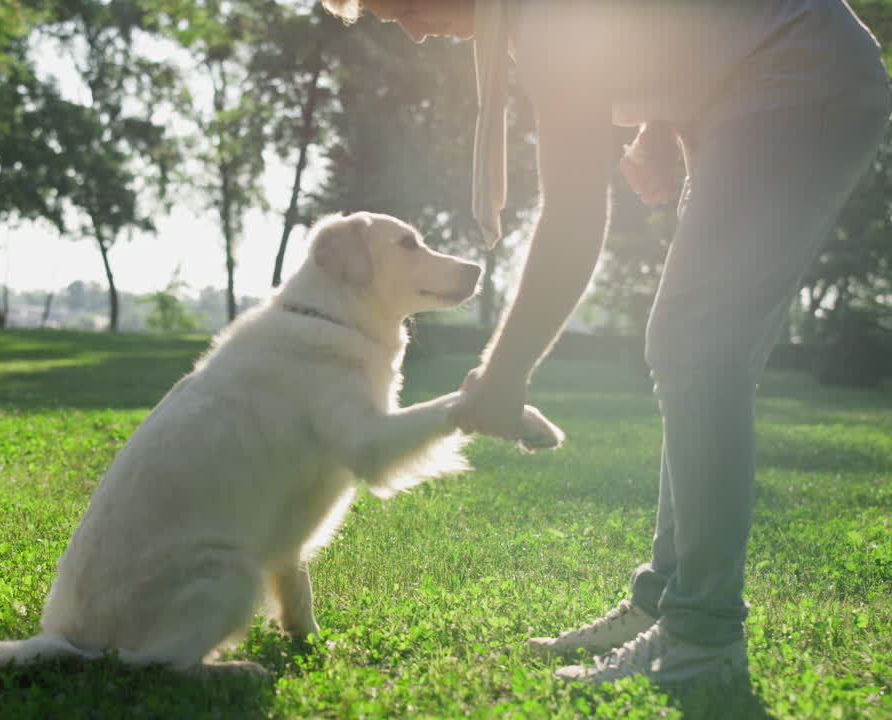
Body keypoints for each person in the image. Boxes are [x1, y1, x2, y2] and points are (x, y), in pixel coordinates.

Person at [321, 0, 890, 686]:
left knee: (695, 346)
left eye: (400, 4)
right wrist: (658, 119)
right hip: (757, 85)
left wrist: (503, 373)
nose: (404, 27)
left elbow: (574, 215)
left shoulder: (545, 21)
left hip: (797, 76)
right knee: (701, 351)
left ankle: (702, 638)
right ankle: (667, 606)